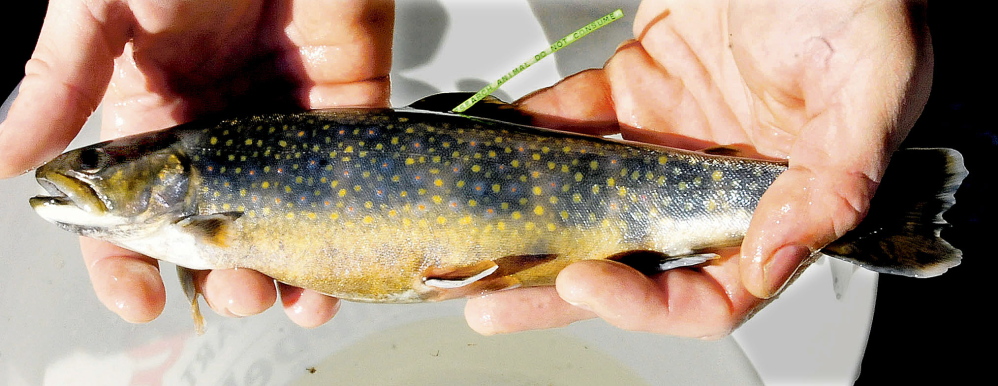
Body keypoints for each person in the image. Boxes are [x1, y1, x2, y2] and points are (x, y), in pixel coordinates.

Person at [0, 0, 930, 338]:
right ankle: (879, 212)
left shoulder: (202, 207)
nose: (76, 175)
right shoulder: (197, 194)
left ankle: (886, 210)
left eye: (97, 162)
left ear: (159, 167)